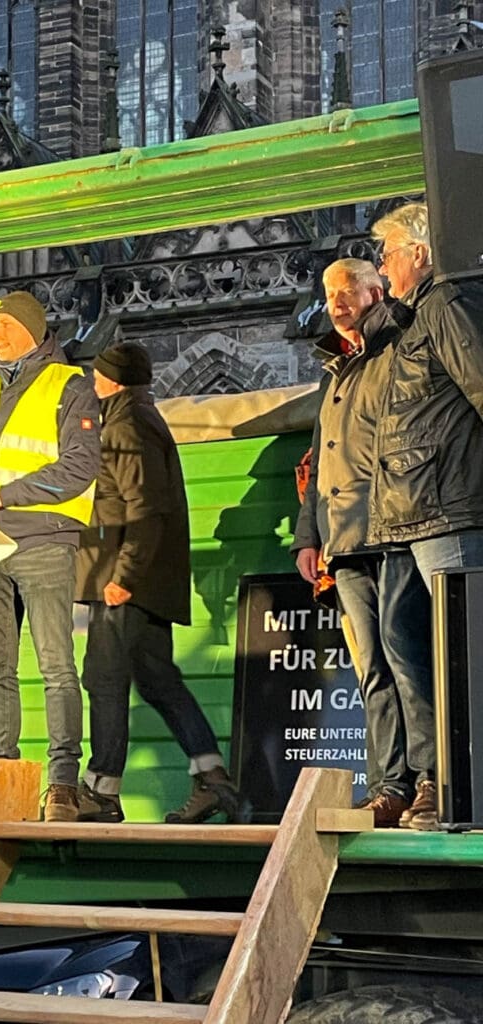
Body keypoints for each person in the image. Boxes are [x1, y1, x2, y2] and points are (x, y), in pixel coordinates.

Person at [74, 342, 241, 825]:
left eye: (98, 374)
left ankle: (101, 791)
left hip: (124, 580)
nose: (92, 380)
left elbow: (145, 506)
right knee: (159, 682)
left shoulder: (127, 424)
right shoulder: (138, 418)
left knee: (104, 680)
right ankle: (213, 780)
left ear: (113, 379)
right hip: (141, 580)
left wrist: (123, 576)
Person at [292, 258, 432, 828]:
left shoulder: (398, 349)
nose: (337, 299)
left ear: (378, 289)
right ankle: (388, 785)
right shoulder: (337, 370)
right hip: (344, 542)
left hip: (395, 531)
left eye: (348, 287)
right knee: (372, 668)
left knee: (409, 661)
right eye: (329, 291)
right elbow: (320, 461)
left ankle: (431, 780)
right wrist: (309, 536)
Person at [0, 290, 101, 822]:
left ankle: (62, 782)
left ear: (36, 332)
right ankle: (1, 774)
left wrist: (2, 496)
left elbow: (80, 467)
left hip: (43, 539)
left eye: (9, 325)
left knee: (57, 666)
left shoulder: (70, 386)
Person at [369, 202, 483, 830]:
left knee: (455, 653)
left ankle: (458, 784)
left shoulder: (445, 306)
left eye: (386, 253)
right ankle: (433, 775)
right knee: (406, 644)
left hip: (447, 507)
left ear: (418, 251)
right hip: (407, 515)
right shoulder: (411, 320)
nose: (382, 268)